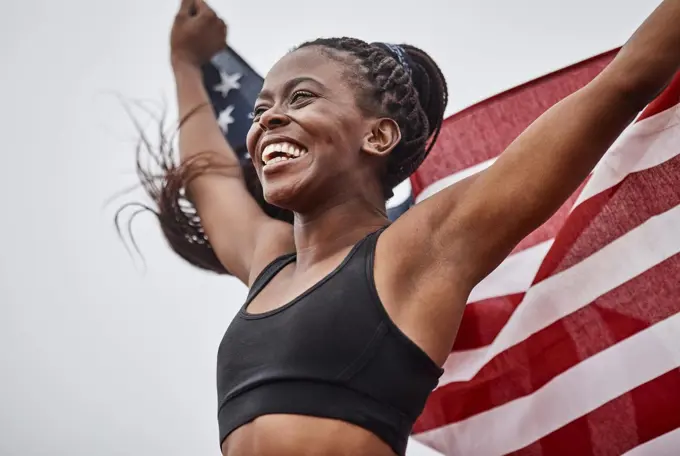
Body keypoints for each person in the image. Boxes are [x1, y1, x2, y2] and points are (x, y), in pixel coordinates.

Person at [130, 0, 680, 454]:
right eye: (260, 111)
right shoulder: (266, 261)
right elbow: (212, 182)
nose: (267, 118)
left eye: (301, 98)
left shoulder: (423, 249)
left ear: (378, 137)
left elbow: (621, 84)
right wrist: (185, 63)